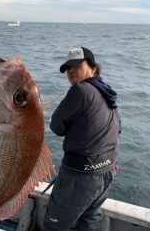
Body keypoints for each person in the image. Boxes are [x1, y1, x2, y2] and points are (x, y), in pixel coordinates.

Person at [43, 47, 122, 231]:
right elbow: (118, 128)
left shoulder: (81, 90)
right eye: (68, 68)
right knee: (90, 220)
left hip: (81, 176)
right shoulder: (106, 92)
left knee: (54, 224)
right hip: (107, 171)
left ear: (93, 68)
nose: (71, 71)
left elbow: (56, 126)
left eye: (77, 66)